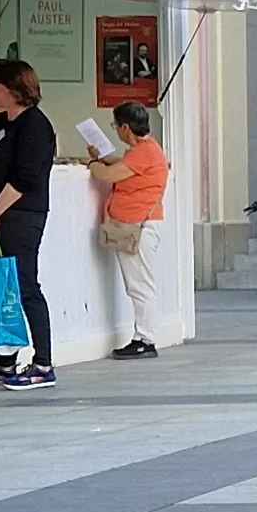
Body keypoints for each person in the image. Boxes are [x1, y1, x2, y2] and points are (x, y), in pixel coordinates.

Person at [0, 59, 59, 390]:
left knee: (24, 284)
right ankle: (6, 360)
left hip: (21, 215)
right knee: (0, 288)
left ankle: (43, 361)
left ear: (13, 90)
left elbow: (25, 178)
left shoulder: (35, 126)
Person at [85, 101, 171, 359]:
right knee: (139, 283)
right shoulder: (143, 150)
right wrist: (102, 158)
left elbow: (109, 175)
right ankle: (143, 336)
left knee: (140, 285)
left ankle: (146, 338)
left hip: (139, 227)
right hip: (136, 225)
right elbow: (123, 164)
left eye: (115, 126)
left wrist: (93, 165)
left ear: (125, 127)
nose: (115, 131)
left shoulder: (145, 151)